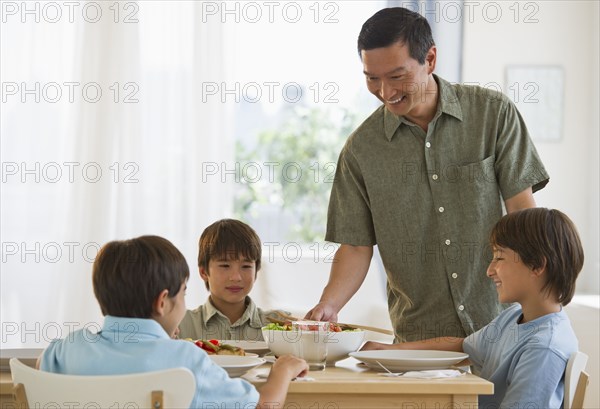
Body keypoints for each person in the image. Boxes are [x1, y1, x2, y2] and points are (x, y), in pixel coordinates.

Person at [306, 7, 550, 342]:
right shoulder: (361, 150)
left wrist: (543, 301)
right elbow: (356, 247)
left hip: (503, 330)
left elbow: (523, 214)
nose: (385, 92)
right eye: (371, 78)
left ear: (430, 59)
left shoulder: (493, 115)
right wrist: (329, 305)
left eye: (396, 76)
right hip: (419, 346)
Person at [39, 235, 308, 408]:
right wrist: (282, 371)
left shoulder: (69, 348)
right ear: (162, 302)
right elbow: (262, 406)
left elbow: (40, 364)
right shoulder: (184, 359)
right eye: (184, 293)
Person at [361, 208, 584, 408]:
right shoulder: (515, 317)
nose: (489, 270)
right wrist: (390, 351)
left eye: (499, 257)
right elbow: (463, 347)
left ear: (537, 265)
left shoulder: (543, 349)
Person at [179, 219, 288, 341]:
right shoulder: (179, 325)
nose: (236, 277)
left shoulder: (281, 324)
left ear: (256, 272)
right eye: (225, 266)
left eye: (246, 266)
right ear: (204, 272)